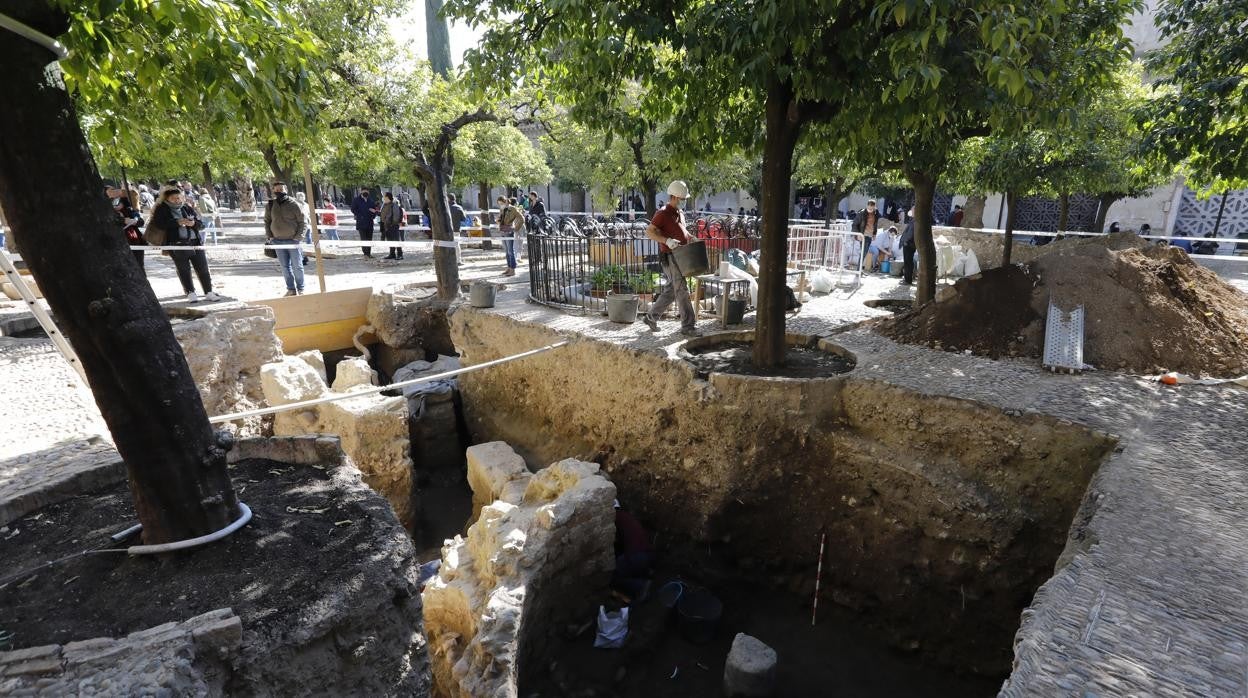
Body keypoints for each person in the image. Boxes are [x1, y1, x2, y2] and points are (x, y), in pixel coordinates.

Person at [642, 180, 700, 337]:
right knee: (681, 289)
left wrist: (690, 237)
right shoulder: (662, 213)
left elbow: (682, 231)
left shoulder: (679, 213)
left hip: (679, 256)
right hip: (669, 256)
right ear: (674, 196)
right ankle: (688, 326)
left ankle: (650, 317)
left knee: (672, 290)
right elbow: (649, 232)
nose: (684, 200)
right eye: (682, 198)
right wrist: (666, 240)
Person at [151, 186, 219, 302]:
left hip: (195, 242)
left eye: (179, 198)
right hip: (176, 243)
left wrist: (193, 224)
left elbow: (200, 224)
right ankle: (190, 292)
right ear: (167, 199)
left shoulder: (187, 207)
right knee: (183, 269)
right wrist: (177, 222)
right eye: (173, 198)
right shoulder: (162, 209)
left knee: (202, 267)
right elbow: (160, 224)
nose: (177, 200)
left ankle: (208, 292)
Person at [264, 181, 307, 296]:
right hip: (277, 241)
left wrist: (298, 238)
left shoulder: (295, 204)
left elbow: (303, 222)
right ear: (273, 191)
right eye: (277, 190)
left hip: (293, 241)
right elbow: (267, 221)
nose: (279, 192)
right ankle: (291, 289)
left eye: (281, 190)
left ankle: (301, 289)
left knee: (297, 266)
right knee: (284, 267)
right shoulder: (270, 205)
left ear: (286, 190)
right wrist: (270, 236)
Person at [611, 500, 654, 602]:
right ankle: (645, 573)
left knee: (612, 577)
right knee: (627, 564)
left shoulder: (615, 519)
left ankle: (640, 586)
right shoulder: (626, 517)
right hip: (648, 554)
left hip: (637, 556)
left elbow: (614, 541)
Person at [107, 185, 146, 273]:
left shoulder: (128, 209)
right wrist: (123, 220)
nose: (114, 195)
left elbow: (140, 221)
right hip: (117, 243)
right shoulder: (105, 211)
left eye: (117, 198)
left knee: (139, 267)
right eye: (110, 193)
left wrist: (134, 221)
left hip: (135, 241)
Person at [496, 195, 526, 276]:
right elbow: (501, 219)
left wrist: (516, 228)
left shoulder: (512, 208)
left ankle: (513, 269)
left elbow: (522, 218)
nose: (500, 205)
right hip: (502, 231)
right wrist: (498, 220)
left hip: (509, 231)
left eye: (501, 203)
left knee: (510, 251)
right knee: (506, 251)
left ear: (505, 201)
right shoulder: (502, 209)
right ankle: (509, 268)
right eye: (499, 204)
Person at [351, 188, 377, 257]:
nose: (366, 192)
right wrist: (360, 215)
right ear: (361, 192)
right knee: (363, 238)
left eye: (367, 191)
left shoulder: (371, 200)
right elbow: (353, 209)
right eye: (364, 191)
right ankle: (365, 253)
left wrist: (373, 215)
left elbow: (374, 209)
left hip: (369, 222)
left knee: (369, 238)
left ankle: (369, 253)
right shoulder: (356, 200)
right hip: (361, 223)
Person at [380, 192, 405, 260]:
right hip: (386, 226)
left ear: (387, 197)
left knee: (396, 240)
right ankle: (392, 254)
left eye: (384, 196)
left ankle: (400, 254)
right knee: (390, 240)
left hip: (393, 225)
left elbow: (396, 216)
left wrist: (393, 223)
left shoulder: (394, 205)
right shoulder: (384, 205)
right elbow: (383, 215)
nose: (383, 198)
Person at [900, 208, 917, 286]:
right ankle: (908, 278)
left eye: (912, 210)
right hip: (909, 244)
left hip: (909, 244)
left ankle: (908, 280)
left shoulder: (915, 221)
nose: (911, 211)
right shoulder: (913, 220)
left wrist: (905, 241)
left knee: (908, 262)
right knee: (908, 262)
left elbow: (910, 234)